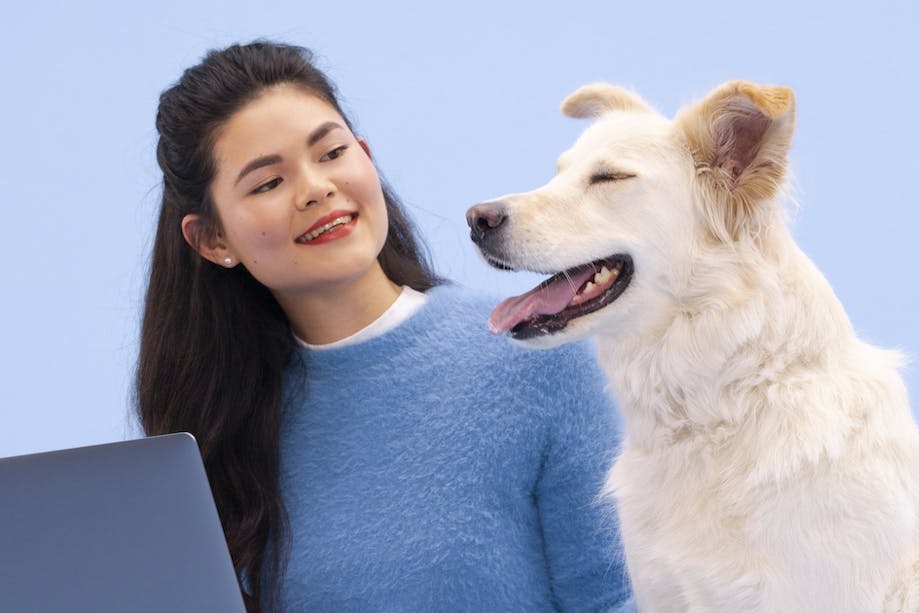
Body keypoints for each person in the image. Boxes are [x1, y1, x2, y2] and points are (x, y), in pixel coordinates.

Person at [137, 40, 634, 612]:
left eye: (331, 153)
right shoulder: (220, 429)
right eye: (268, 183)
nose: (317, 189)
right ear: (212, 240)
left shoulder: (535, 354)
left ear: (365, 157)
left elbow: (619, 598)